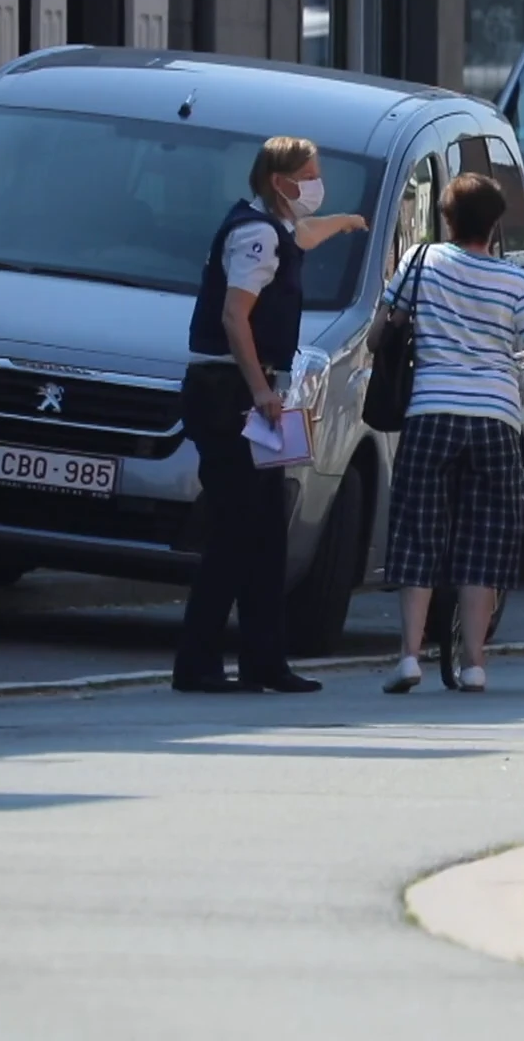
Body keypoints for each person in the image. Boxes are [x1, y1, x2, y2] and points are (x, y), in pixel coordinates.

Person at [375, 172, 524, 695]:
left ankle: (408, 656)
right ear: (495, 225)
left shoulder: (420, 262)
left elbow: (384, 330)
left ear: (447, 219)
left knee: (417, 537)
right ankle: (473, 664)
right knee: (484, 545)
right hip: (495, 422)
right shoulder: (516, 281)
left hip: (430, 415)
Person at [174, 136, 368, 694]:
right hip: (230, 394)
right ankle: (198, 663)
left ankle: (265, 661)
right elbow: (237, 317)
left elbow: (302, 236)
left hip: (249, 393)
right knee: (236, 535)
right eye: (308, 175)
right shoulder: (255, 236)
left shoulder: (273, 228)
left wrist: (347, 221)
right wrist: (260, 389)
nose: (314, 183)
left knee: (264, 535)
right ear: (280, 181)